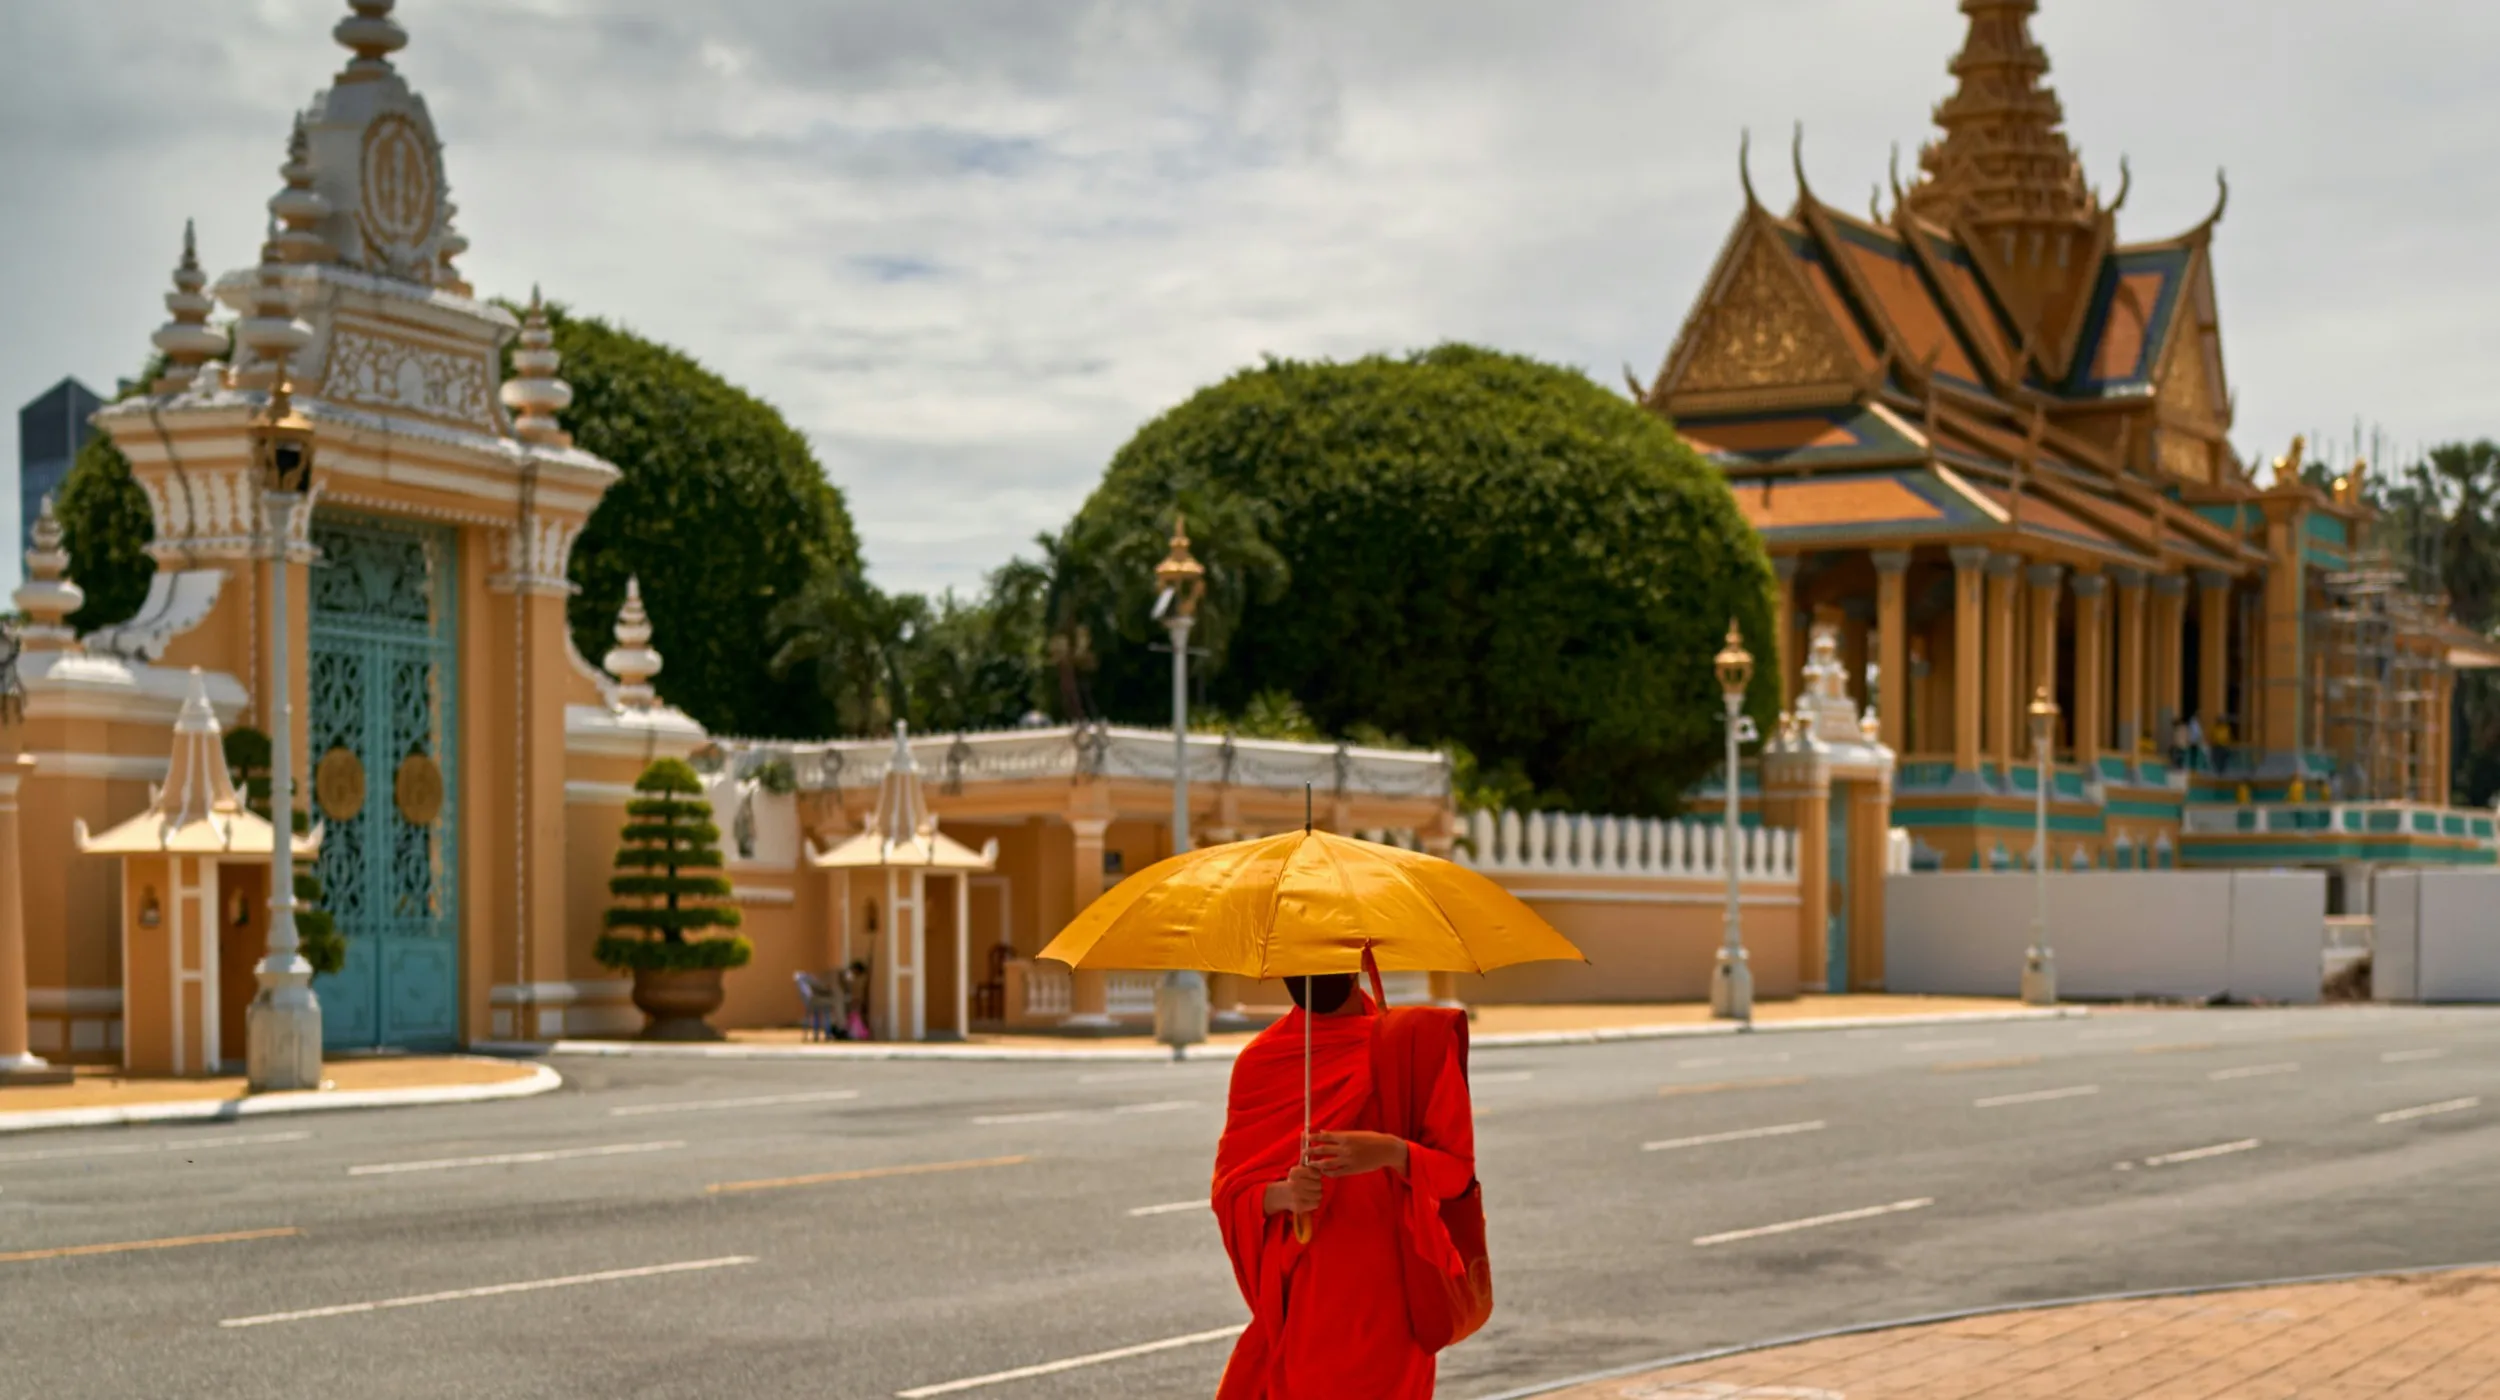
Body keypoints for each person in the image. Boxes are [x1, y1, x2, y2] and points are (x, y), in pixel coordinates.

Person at [1210, 971, 1478, 1398]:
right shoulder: (1262, 1060)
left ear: (1354, 964)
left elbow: (1457, 1174)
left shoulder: (1412, 1047)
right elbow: (1230, 1190)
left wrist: (1393, 1152)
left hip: (1394, 1305)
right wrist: (1282, 1195)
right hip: (1307, 1307)